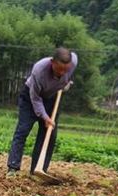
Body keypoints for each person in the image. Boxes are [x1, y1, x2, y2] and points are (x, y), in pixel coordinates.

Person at [7, 47, 77, 176]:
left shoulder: (73, 62)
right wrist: (45, 117)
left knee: (49, 134)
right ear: (52, 62)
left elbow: (70, 64)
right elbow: (35, 98)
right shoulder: (39, 70)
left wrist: (65, 84)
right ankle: (13, 168)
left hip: (52, 98)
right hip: (31, 98)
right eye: (59, 69)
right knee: (23, 130)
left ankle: (38, 170)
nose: (62, 72)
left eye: (65, 70)